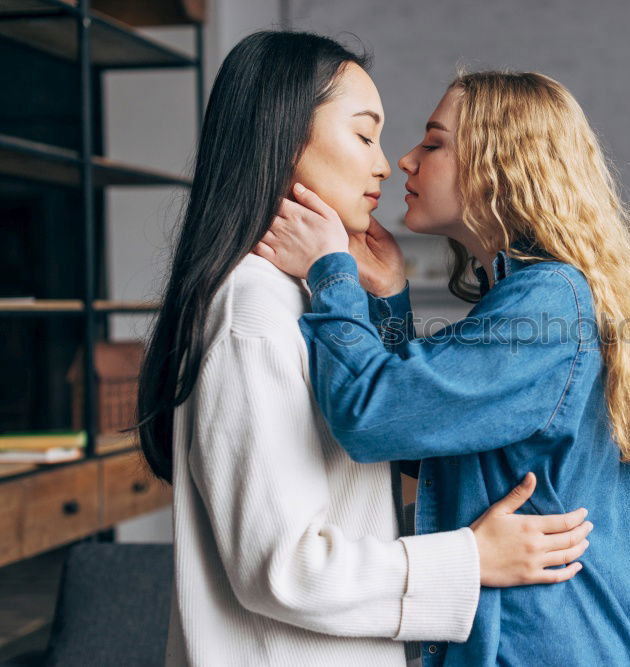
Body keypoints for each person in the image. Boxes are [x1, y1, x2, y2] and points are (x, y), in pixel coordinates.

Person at [136, 34, 591, 667]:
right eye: (364, 135)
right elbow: (284, 567)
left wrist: (380, 302)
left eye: (424, 143)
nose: (387, 163)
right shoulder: (255, 308)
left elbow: (400, 415)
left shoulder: (307, 298)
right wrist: (470, 558)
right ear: (287, 136)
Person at [256, 70, 630, 665]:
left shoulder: (548, 300)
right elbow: (419, 435)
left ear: (499, 164)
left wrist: (330, 273)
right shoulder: (537, 296)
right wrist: (388, 296)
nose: (404, 161)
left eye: (434, 142)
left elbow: (372, 417)